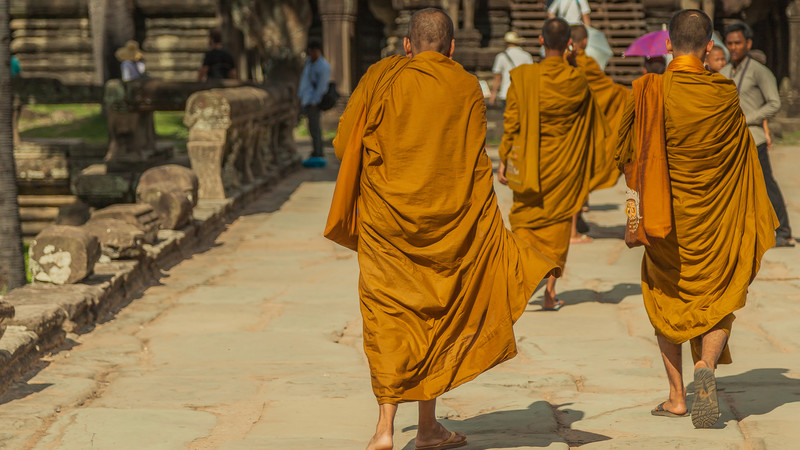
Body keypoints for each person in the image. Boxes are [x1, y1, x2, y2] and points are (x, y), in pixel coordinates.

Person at [331, 8, 558, 449]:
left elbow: (344, 145)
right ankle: (428, 427)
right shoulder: (465, 85)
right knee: (438, 316)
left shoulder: (381, 77)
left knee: (389, 317)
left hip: (387, 223)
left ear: (407, 45)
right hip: (448, 222)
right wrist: (487, 229)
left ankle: (385, 428)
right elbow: (476, 163)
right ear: (452, 47)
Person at [616, 9, 777, 428]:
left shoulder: (649, 90)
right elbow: (742, 154)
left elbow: (621, 151)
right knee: (718, 293)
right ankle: (706, 365)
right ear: (710, 48)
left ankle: (676, 397)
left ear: (668, 44)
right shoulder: (724, 94)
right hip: (715, 218)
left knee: (664, 293)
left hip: (666, 218)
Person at [498, 17, 607, 311]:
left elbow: (512, 123)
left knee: (524, 224)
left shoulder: (523, 77)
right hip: (564, 165)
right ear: (569, 43)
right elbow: (589, 119)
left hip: (530, 163)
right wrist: (573, 63)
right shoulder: (577, 79)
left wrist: (504, 158)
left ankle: (518, 285)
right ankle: (549, 290)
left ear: (540, 40)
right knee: (559, 228)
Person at [721, 22, 793, 247]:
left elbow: (774, 103)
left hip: (754, 138)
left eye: (738, 43)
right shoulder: (724, 72)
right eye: (730, 43)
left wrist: (749, 118)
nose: (733, 47)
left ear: (748, 44)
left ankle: (783, 231)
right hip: (730, 140)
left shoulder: (759, 72)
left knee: (765, 184)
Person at [571, 24, 630, 242]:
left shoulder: (564, 63)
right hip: (586, 127)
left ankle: (575, 222)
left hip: (569, 126)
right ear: (585, 42)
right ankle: (573, 228)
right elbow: (608, 91)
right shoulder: (585, 63)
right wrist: (628, 95)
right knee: (580, 174)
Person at [298, 40, 331, 169]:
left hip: (314, 102)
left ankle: (319, 153)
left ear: (318, 51)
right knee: (311, 127)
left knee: (315, 128)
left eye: (313, 52)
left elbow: (322, 87)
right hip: (306, 99)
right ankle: (315, 151)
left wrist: (314, 102)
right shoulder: (308, 63)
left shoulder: (323, 66)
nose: (311, 54)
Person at [489, 31, 533, 108]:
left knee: (507, 119)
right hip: (522, 93)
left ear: (506, 43)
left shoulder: (501, 57)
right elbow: (530, 76)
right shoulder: (526, 56)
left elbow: (497, 77)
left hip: (506, 93)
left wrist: (494, 93)